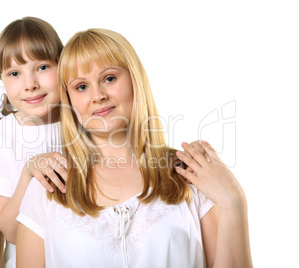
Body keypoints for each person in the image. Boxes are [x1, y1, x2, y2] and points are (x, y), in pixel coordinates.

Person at [16, 28, 253, 267]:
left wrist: (234, 202)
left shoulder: (190, 174)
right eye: (81, 87)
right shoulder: (48, 186)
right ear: (69, 99)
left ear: (134, 80)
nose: (98, 96)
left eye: (109, 78)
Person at [0, 17, 68, 268]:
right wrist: (28, 174)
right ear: (2, 81)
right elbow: (11, 232)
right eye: (15, 73)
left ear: (63, 66)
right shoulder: (6, 135)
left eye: (42, 67)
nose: (30, 84)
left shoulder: (84, 121)